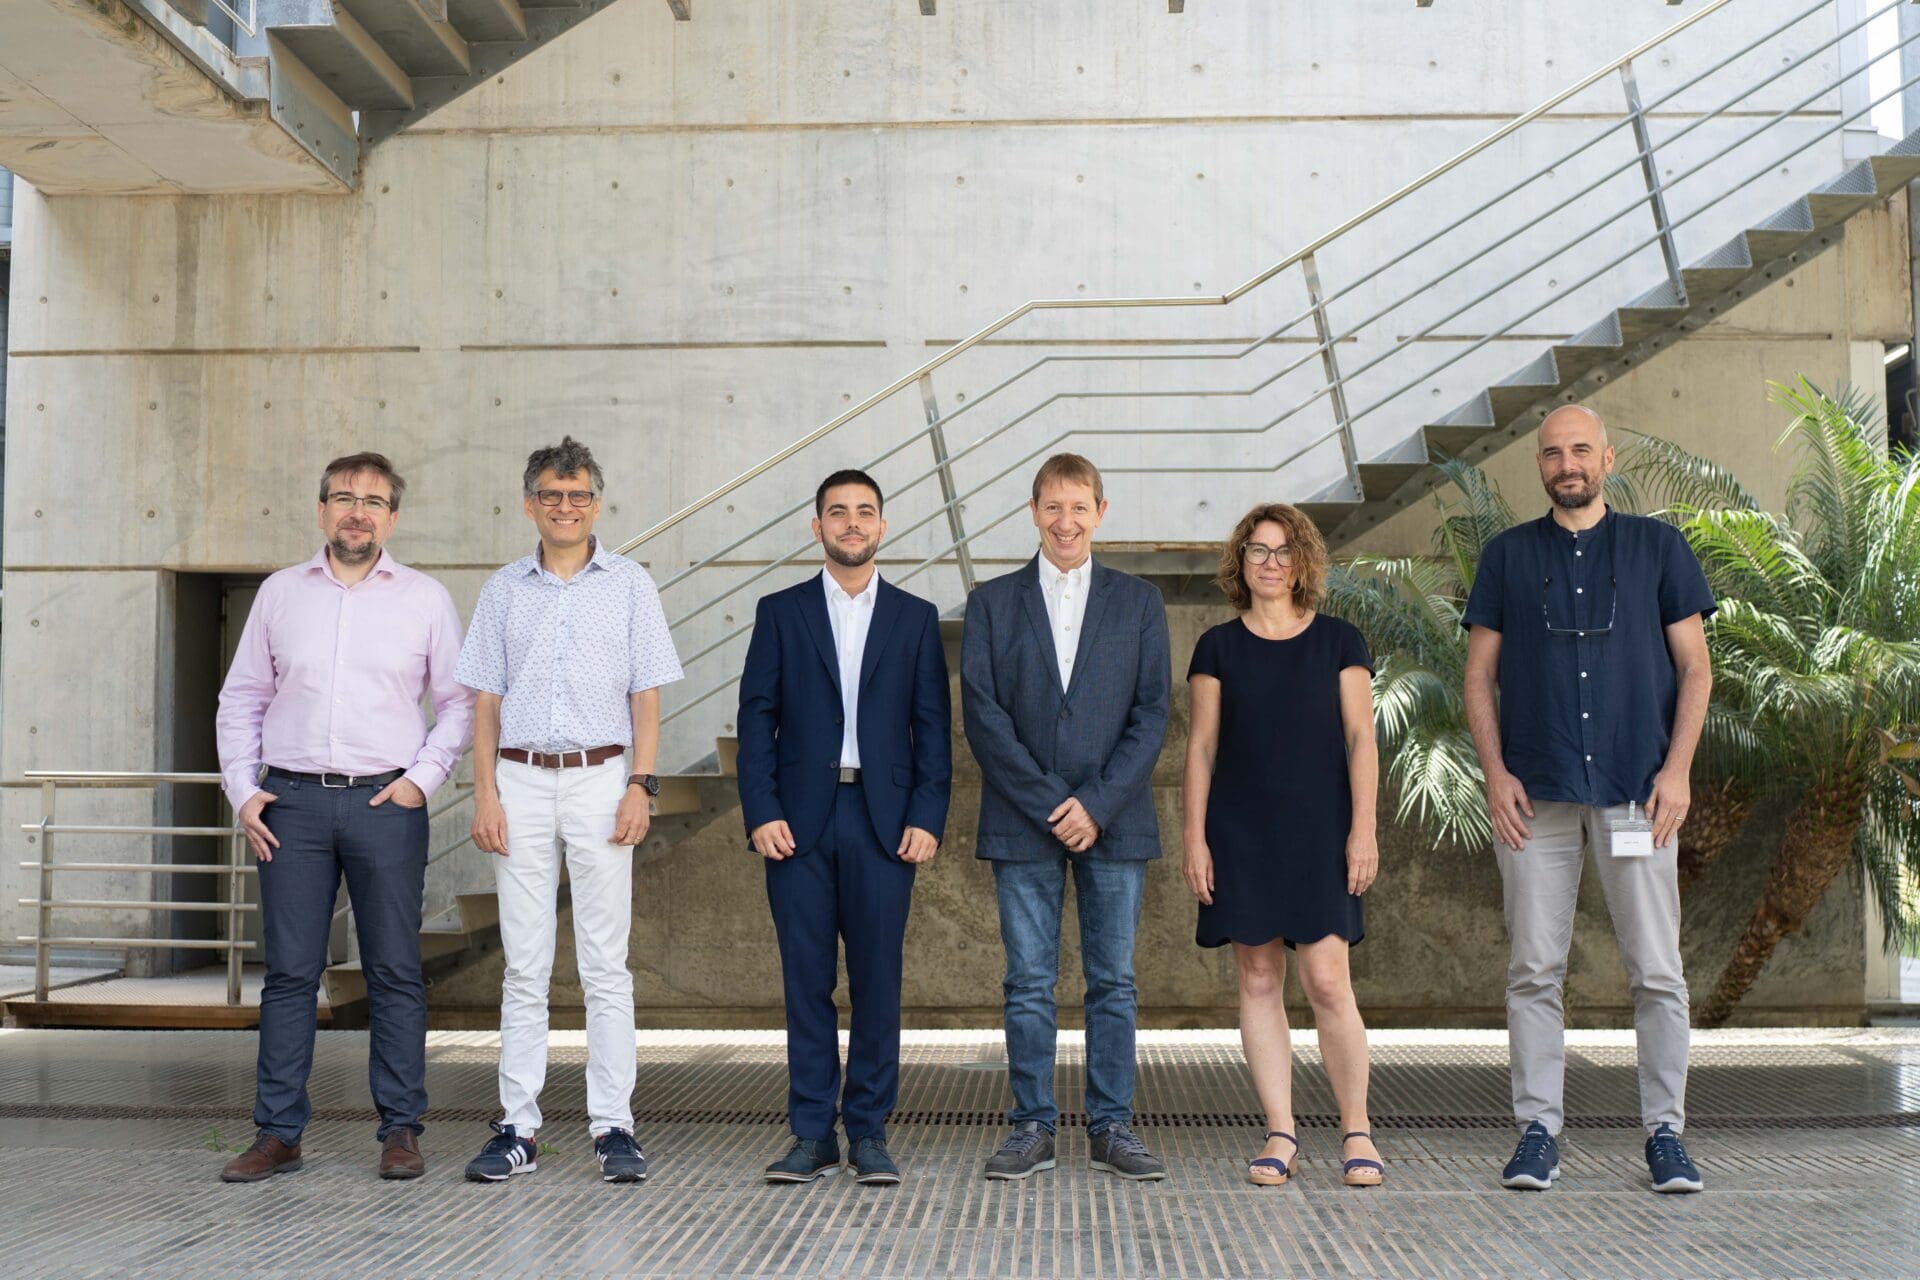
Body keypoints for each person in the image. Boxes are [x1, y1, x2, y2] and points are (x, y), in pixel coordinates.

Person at [1463, 403, 1714, 1195]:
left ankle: (1665, 1136)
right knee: (1534, 968)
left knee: (1657, 971)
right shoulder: (1506, 557)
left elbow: (1697, 670)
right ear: (1538, 466)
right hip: (1534, 799)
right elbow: (1478, 677)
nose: (1566, 464)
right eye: (1552, 453)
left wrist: (1676, 772)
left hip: (1638, 796)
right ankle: (1538, 1130)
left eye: (1580, 450)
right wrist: (1495, 773)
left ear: (1607, 458)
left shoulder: (1658, 548)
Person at [215, 451, 473, 1183]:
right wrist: (243, 789)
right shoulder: (278, 594)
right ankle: (278, 1134)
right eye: (344, 497)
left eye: (374, 500)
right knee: (291, 976)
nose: (357, 511)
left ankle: (400, 1130)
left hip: (384, 803)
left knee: (394, 971)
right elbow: (242, 700)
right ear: (322, 509)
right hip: (289, 805)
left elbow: (457, 702)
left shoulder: (423, 599)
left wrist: (423, 780)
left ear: (393, 517)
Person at [454, 436, 683, 1185]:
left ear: (596, 502)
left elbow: (645, 696)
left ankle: (613, 1126)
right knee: (523, 966)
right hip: (517, 782)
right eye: (551, 495)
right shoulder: (502, 589)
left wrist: (639, 786)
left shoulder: (631, 585)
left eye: (578, 495)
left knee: (604, 965)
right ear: (530, 504)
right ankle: (517, 1128)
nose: (565, 507)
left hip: (601, 779)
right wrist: (484, 792)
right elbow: (485, 700)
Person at [736, 469, 952, 1186]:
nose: (851, 523)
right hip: (796, 823)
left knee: (878, 982)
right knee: (805, 983)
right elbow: (755, 721)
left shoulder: (915, 617)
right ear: (817, 526)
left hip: (884, 824)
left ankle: (868, 1132)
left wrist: (927, 816)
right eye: (838, 512)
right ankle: (810, 1134)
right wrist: (761, 810)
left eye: (864, 513)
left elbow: (933, 728)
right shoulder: (780, 611)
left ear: (882, 526)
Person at [961, 452, 1172, 1182]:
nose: (1065, 520)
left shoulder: (1139, 602)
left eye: (1079, 506)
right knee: (1027, 981)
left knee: (1113, 981)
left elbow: (1152, 715)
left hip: (1115, 820)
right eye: (1053, 506)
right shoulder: (990, 602)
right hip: (1024, 822)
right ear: (1033, 512)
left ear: (1100, 513)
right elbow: (984, 719)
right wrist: (1054, 803)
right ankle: (1030, 1126)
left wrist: (1098, 803)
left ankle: (1112, 1125)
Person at [1182, 503, 1384, 1189]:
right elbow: (1202, 749)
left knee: (1327, 979)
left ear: (1304, 561)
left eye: (1283, 550)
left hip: (1322, 829)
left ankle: (1356, 1129)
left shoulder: (1339, 641)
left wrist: (1364, 828)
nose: (1270, 562)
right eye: (1256, 550)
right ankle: (1281, 1132)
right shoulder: (1217, 647)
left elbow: (1362, 739)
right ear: (1240, 562)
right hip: (1240, 831)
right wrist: (1194, 838)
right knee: (1259, 979)